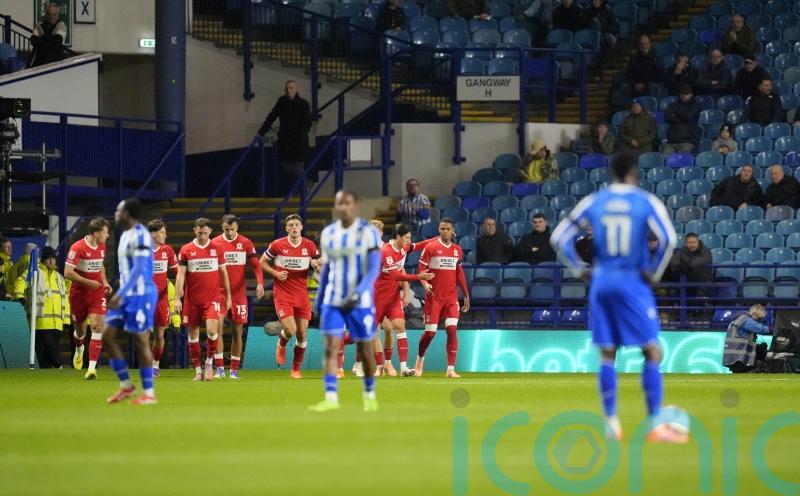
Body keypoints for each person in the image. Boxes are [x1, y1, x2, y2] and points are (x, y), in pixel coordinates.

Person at [551, 153, 683, 443]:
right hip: (632, 281)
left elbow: (559, 237)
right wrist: (654, 273)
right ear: (633, 172)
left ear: (611, 172)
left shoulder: (595, 200)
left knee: (607, 353)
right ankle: (655, 424)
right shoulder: (645, 200)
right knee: (652, 351)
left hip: (601, 281)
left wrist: (580, 269)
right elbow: (669, 239)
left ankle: (611, 422)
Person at [309, 190, 382, 413]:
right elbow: (327, 269)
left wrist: (358, 293)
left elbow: (373, 268)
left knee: (365, 348)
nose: (343, 207)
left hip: (360, 301)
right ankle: (331, 397)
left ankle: (369, 394)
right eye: (339, 203)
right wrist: (319, 300)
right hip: (333, 300)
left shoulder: (368, 232)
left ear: (355, 205)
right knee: (331, 347)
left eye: (347, 203)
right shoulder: (328, 233)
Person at [104, 199, 159, 405]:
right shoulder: (125, 234)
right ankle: (126, 385)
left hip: (141, 294)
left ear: (126, 213)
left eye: (118, 210)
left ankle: (149, 393)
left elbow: (139, 268)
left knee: (141, 340)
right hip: (126, 295)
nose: (116, 213)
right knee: (107, 335)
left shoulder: (141, 234)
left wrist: (121, 293)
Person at [260, 214, 320, 379]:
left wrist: (317, 266)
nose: (294, 227)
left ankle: (295, 369)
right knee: (290, 330)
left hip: (302, 295)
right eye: (291, 225)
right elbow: (261, 262)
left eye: (296, 225)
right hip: (283, 294)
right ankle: (281, 342)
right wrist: (275, 274)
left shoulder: (309, 245)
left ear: (301, 227)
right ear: (286, 228)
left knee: (302, 334)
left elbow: (319, 265)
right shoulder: (277, 245)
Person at [373, 223, 436, 376]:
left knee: (400, 326)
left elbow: (419, 245)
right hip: (377, 297)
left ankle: (403, 368)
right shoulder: (386, 251)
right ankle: (379, 367)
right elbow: (395, 275)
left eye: (409, 238)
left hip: (393, 297)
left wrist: (438, 239)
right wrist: (418, 276)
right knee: (373, 331)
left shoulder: (403, 248)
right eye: (407, 238)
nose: (409, 240)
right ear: (398, 237)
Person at [174, 218, 232, 381]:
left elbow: (224, 273)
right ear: (195, 231)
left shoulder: (217, 248)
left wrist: (228, 296)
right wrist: (177, 298)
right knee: (193, 336)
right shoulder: (186, 249)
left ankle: (208, 362)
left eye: (205, 233)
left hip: (212, 299)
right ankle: (198, 371)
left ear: (210, 232)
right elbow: (180, 274)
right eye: (199, 233)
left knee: (213, 331)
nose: (202, 236)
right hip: (192, 300)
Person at [415, 218, 470, 378]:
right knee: (430, 334)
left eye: (447, 229)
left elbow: (459, 273)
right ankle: (419, 360)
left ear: (452, 231)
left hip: (451, 298)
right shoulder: (431, 247)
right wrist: (425, 284)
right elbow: (421, 270)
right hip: (434, 298)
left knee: (452, 330)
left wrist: (466, 294)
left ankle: (450, 369)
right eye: (442, 229)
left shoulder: (457, 250)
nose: (444, 231)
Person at [213, 214, 265, 379]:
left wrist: (260, 283)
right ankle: (219, 369)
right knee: (216, 330)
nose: (229, 233)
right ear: (222, 227)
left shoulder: (245, 243)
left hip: (239, 295)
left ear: (237, 227)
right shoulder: (214, 243)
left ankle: (234, 371)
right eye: (226, 229)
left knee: (237, 332)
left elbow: (256, 265)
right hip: (219, 294)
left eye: (232, 229)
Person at [65, 218, 112, 379]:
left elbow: (100, 266)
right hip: (79, 295)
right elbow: (67, 272)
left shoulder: (102, 246)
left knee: (98, 327)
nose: (108, 235)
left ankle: (91, 369)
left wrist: (104, 282)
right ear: (96, 233)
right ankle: (79, 348)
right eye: (105, 232)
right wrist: (89, 282)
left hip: (96, 294)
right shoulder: (77, 247)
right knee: (80, 331)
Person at [257, 81, 313, 192]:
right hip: (285, 142)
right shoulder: (282, 102)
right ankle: (304, 184)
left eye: (291, 88)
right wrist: (261, 132)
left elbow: (307, 122)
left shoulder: (303, 104)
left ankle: (303, 186)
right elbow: (271, 117)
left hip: (299, 142)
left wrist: (300, 133)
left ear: (296, 89)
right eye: (287, 88)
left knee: (297, 168)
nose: (288, 90)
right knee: (285, 166)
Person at [18, 246, 67, 368]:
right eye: (48, 259)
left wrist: (66, 320)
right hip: (40, 320)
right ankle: (59, 366)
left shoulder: (59, 277)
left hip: (57, 323)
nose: (51, 261)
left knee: (46, 355)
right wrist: (20, 296)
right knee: (50, 350)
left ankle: (47, 371)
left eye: (53, 259)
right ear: (43, 260)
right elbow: (20, 281)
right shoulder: (35, 272)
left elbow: (65, 300)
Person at [148, 220, 178, 377]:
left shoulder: (168, 250)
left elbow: (178, 272)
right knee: (144, 333)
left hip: (161, 298)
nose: (165, 235)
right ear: (154, 234)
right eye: (162, 232)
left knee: (159, 334)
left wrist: (181, 290)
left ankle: (155, 365)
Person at [722, 304, 771, 373]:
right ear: (755, 314)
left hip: (734, 356)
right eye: (760, 318)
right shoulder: (745, 320)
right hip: (738, 357)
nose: (760, 321)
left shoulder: (739, 319)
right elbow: (761, 329)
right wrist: (772, 329)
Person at [667, 233, 712, 298]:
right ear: (686, 243)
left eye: (694, 242)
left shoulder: (705, 250)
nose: (692, 245)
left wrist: (688, 265)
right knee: (672, 292)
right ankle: (675, 304)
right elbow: (673, 260)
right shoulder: (682, 250)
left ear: (698, 242)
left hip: (702, 281)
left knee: (700, 294)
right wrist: (679, 265)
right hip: (685, 280)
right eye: (689, 242)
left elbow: (706, 259)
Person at [663, 84, 701, 155]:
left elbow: (688, 116)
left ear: (691, 94)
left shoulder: (695, 106)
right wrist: (682, 119)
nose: (683, 96)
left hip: (687, 141)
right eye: (682, 94)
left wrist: (676, 113)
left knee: (682, 158)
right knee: (665, 157)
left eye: (686, 94)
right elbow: (667, 117)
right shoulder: (673, 104)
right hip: (672, 141)